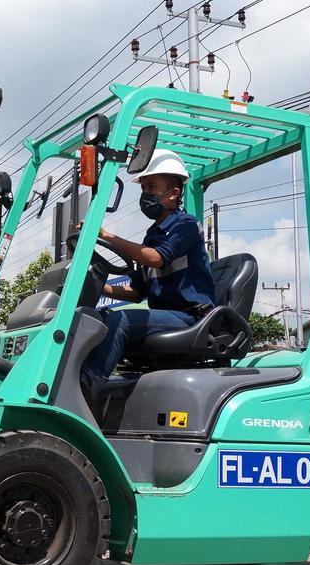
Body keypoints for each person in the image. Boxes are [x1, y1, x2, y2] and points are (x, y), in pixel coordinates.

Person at [81, 149, 214, 390]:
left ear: (173, 194)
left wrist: (107, 236)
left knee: (120, 320)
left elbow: (157, 259)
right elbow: (136, 291)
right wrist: (99, 286)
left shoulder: (186, 225)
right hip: (164, 317)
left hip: (189, 317)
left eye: (151, 187)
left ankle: (88, 386)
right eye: (143, 188)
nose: (145, 194)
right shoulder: (152, 235)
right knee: (95, 319)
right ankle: (70, 376)